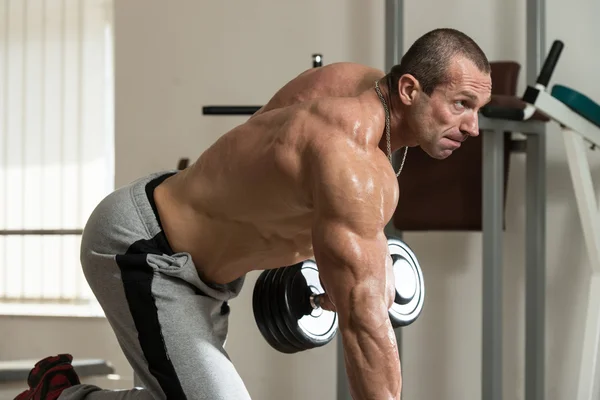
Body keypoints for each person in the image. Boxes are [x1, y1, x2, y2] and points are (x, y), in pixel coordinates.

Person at [16, 28, 491, 400]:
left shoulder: (349, 84)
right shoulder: (353, 161)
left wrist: (336, 262)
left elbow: (264, 179)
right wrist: (359, 282)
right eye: (461, 105)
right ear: (410, 89)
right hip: (146, 252)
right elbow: (365, 326)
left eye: (478, 109)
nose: (473, 127)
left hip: (205, 268)